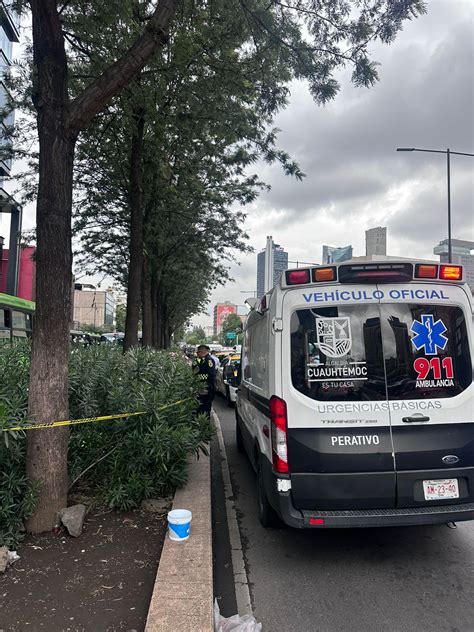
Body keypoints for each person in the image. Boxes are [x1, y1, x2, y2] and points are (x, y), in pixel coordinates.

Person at [192, 344, 216, 418]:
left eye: (198, 353)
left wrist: (208, 388)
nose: (197, 354)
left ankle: (204, 426)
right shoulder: (198, 360)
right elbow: (193, 371)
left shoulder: (209, 361)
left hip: (206, 389)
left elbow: (211, 376)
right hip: (199, 388)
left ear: (202, 352)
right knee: (200, 409)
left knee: (205, 410)